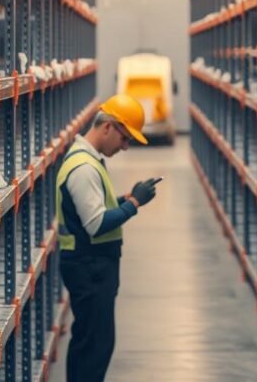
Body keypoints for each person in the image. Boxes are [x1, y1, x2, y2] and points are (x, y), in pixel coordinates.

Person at [56, 94, 160, 382]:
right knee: (94, 347)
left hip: (92, 266)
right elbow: (97, 223)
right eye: (125, 139)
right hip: (89, 267)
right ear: (108, 127)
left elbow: (91, 206)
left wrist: (123, 198)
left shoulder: (87, 160)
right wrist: (134, 204)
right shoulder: (84, 168)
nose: (125, 147)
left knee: (91, 342)